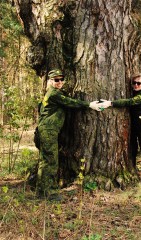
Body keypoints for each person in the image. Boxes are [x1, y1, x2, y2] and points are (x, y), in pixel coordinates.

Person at [36, 69, 101, 200]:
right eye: (56, 80)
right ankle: (50, 192)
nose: (59, 82)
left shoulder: (52, 93)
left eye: (61, 79)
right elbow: (71, 103)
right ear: (50, 81)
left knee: (45, 161)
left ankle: (41, 191)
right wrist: (89, 105)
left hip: (46, 130)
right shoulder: (54, 94)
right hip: (48, 131)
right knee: (51, 161)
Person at [100, 73, 141, 186]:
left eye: (139, 83)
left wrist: (110, 103)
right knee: (133, 150)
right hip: (136, 128)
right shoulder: (136, 92)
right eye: (134, 83)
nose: (136, 85)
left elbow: (130, 102)